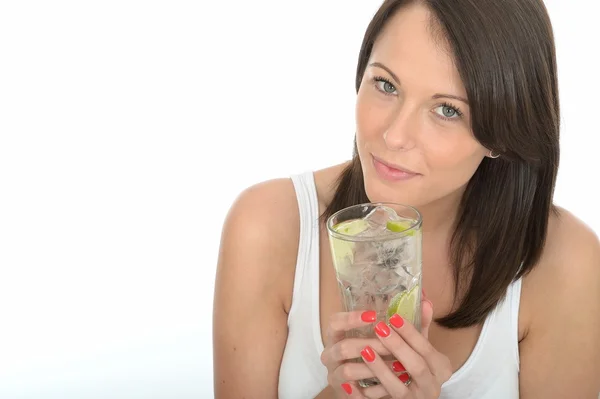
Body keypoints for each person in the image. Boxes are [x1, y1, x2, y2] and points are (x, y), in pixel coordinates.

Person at [213, 0, 600, 397]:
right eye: (386, 85)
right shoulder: (268, 226)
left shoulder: (564, 264)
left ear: (502, 133)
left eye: (447, 109)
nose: (395, 135)